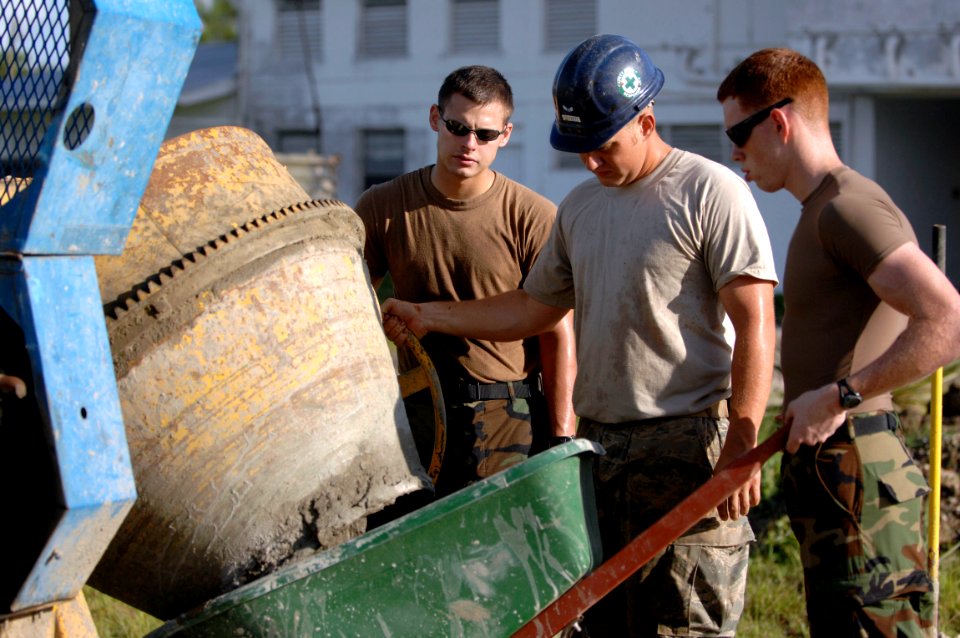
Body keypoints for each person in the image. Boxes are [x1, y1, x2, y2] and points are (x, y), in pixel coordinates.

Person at [382, 35, 778, 636]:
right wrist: (430, 316)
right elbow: (533, 307)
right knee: (601, 621)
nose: (591, 161)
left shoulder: (708, 191)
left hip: (689, 448)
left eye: (603, 146)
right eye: (579, 149)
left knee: (684, 622)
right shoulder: (581, 208)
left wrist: (744, 442)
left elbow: (756, 321)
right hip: (601, 455)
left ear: (645, 121)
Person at [717, 47, 960, 637]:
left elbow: (946, 318)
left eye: (740, 135)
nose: (735, 153)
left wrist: (842, 395)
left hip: (859, 466)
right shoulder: (819, 209)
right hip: (835, 472)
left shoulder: (848, 208)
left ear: (779, 120)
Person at [354, 65, 577, 500]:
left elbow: (557, 328)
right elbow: (347, 304)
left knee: (502, 556)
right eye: (458, 127)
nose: (469, 143)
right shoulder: (383, 206)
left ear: (506, 134)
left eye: (486, 134)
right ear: (435, 118)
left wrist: (562, 437)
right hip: (417, 412)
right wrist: (376, 321)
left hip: (507, 414)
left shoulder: (532, 216)